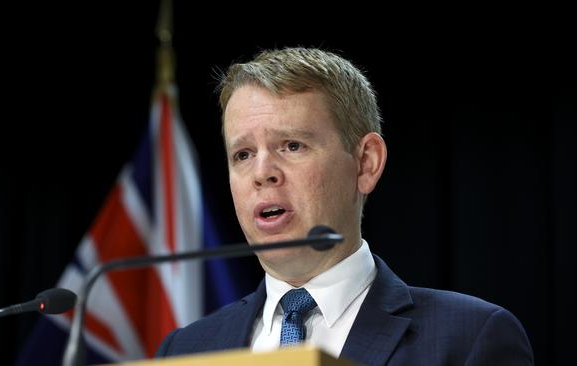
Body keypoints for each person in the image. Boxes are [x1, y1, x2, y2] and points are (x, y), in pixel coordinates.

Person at [155, 47, 533, 365]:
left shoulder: (468, 338)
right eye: (242, 154)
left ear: (366, 162)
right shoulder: (185, 350)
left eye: (292, 146)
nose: (262, 173)